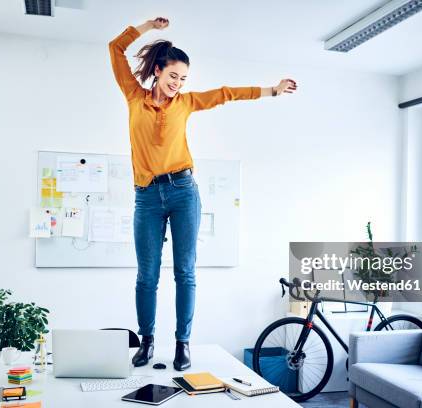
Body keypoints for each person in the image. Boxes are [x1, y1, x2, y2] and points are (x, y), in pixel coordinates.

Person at [108, 17, 297, 371]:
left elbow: (227, 93)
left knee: (185, 271)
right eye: (172, 76)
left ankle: (182, 344)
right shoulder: (134, 95)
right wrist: (147, 26)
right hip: (146, 197)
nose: (177, 84)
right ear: (158, 71)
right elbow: (114, 48)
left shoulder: (187, 103)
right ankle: (146, 342)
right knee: (146, 274)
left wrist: (272, 90)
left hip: (183, 192)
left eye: (182, 79)